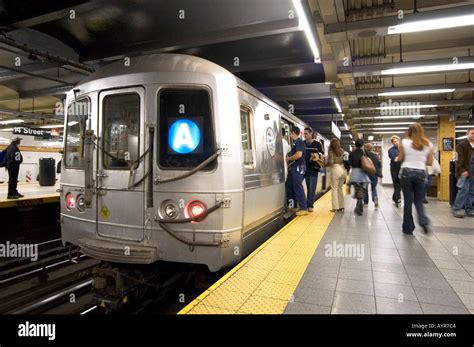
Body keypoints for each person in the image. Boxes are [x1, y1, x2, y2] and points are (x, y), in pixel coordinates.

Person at [398, 123, 433, 234]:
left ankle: (407, 228)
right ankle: (423, 221)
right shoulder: (428, 144)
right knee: (419, 201)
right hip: (421, 172)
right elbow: (430, 162)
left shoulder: (404, 142)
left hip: (406, 172)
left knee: (408, 201)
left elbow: (400, 158)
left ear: (409, 132)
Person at [452, 128, 474, 218]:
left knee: (471, 192)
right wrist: (462, 170)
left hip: (473, 173)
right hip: (464, 173)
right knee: (463, 191)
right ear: (467, 134)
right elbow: (458, 160)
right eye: (472, 133)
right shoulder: (461, 145)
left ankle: (469, 209)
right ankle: (457, 208)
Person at [286, 126, 308, 216]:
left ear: (293, 133)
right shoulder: (295, 143)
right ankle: (293, 205)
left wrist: (289, 158)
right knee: (290, 184)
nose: (290, 135)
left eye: (290, 133)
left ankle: (303, 208)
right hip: (295, 167)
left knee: (298, 187)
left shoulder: (299, 142)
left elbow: (299, 155)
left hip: (299, 167)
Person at [303, 127, 323, 212]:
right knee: (305, 187)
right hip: (304, 168)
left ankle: (310, 205)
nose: (305, 135)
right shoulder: (303, 143)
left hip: (313, 169)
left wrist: (315, 156)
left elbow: (322, 155)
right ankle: (304, 204)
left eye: (306, 134)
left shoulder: (317, 144)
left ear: (311, 134)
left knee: (311, 188)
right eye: (304, 134)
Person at [348, 139, 370, 216]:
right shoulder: (365, 153)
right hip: (363, 173)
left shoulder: (351, 153)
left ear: (356, 145)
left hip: (355, 173)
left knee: (358, 189)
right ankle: (359, 205)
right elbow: (369, 162)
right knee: (362, 189)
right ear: (362, 145)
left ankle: (359, 204)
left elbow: (348, 164)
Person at [327, 138, 346, 212]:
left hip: (336, 169)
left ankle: (335, 207)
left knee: (334, 189)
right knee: (340, 188)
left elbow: (331, 162)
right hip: (343, 169)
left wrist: (325, 164)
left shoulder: (331, 151)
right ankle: (342, 206)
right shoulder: (342, 150)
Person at [363, 143, 382, 208]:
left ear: (366, 148)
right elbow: (379, 165)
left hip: (366, 174)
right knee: (373, 188)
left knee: (365, 188)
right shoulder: (375, 155)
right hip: (374, 173)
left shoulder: (364, 155)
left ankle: (365, 202)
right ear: (372, 148)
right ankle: (375, 199)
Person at [388, 135, 402, 207]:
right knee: (396, 184)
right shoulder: (391, 150)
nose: (396, 143)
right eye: (394, 141)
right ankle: (398, 199)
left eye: (397, 141)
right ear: (392, 143)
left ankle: (394, 197)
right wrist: (401, 156)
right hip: (394, 169)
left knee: (400, 184)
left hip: (401, 168)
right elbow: (395, 159)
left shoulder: (403, 149)